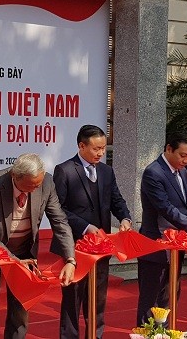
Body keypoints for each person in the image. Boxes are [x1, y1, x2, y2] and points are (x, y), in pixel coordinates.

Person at [0, 153, 77, 339]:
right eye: (31, 185)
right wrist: (14, 261)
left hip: (25, 250)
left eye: (38, 184)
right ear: (15, 176)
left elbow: (60, 221)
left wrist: (70, 259)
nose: (36, 188)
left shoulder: (46, 183)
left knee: (21, 308)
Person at [54, 125, 133, 339]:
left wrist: (125, 218)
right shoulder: (65, 170)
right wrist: (86, 227)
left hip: (101, 247)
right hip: (75, 245)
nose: (101, 153)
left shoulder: (106, 171)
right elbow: (58, 210)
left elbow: (116, 200)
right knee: (72, 297)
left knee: (98, 297)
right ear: (82, 146)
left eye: (103, 148)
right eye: (96, 149)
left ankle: (95, 335)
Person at [136, 130, 187, 326]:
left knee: (170, 295)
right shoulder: (154, 172)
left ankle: (165, 332)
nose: (186, 161)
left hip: (177, 244)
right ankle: (148, 335)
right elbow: (166, 209)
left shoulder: (182, 171)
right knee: (151, 299)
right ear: (169, 149)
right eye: (183, 155)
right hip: (156, 244)